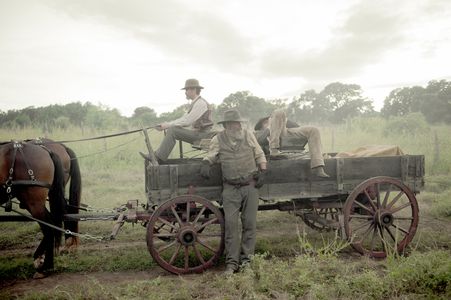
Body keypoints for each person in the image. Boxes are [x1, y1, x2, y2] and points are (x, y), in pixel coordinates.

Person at [200, 109, 267, 275]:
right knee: (231, 227)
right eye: (230, 124)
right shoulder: (218, 139)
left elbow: (259, 154)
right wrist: (206, 163)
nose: (234, 126)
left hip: (250, 187)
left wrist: (263, 171)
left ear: (240, 124)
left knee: (249, 224)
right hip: (230, 189)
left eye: (236, 123)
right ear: (225, 126)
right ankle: (231, 264)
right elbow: (211, 155)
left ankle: (247, 263)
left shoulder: (248, 135)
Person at [254, 109, 329, 178]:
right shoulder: (257, 134)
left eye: (272, 119)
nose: (270, 121)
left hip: (284, 133)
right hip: (273, 151)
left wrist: (283, 120)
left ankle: (318, 166)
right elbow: (260, 140)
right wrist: (270, 127)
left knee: (314, 130)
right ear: (260, 127)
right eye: (266, 122)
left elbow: (297, 127)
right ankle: (274, 150)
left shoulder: (282, 125)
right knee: (278, 112)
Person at [153, 78, 214, 162]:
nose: (185, 92)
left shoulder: (200, 103)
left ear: (193, 90)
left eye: (186, 90)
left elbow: (187, 121)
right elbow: (183, 119)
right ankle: (158, 155)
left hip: (202, 135)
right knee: (173, 129)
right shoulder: (195, 103)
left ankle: (158, 157)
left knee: (173, 130)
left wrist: (167, 126)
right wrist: (167, 124)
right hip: (198, 133)